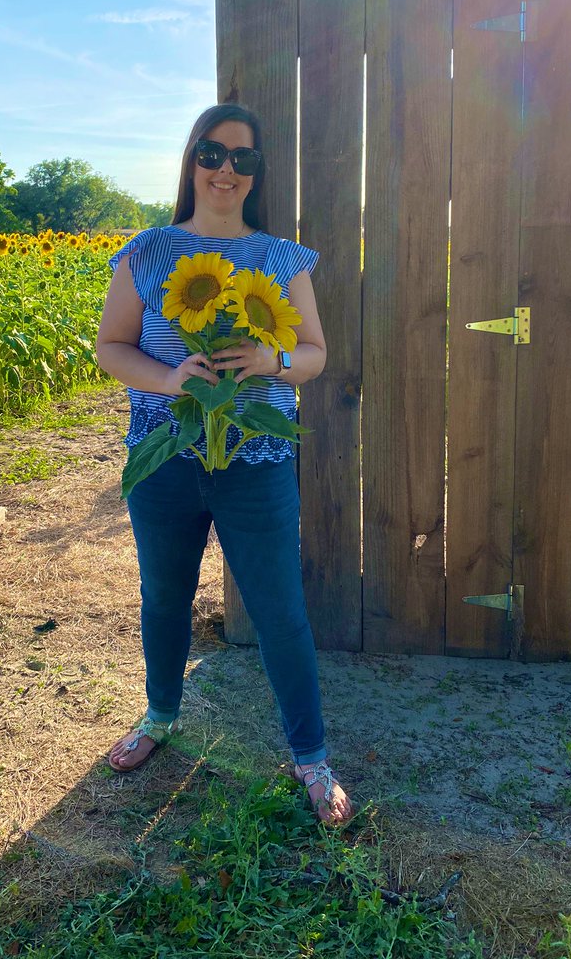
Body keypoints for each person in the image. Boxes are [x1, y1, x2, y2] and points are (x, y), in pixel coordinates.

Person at [95, 103, 354, 826]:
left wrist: (273, 359)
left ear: (257, 171)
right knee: (164, 597)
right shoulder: (147, 254)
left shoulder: (278, 258)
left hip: (257, 459)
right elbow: (110, 347)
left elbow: (315, 353)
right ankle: (159, 717)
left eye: (243, 158)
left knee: (279, 611)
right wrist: (174, 380)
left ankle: (311, 757)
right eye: (212, 153)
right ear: (191, 160)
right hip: (167, 460)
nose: (226, 170)